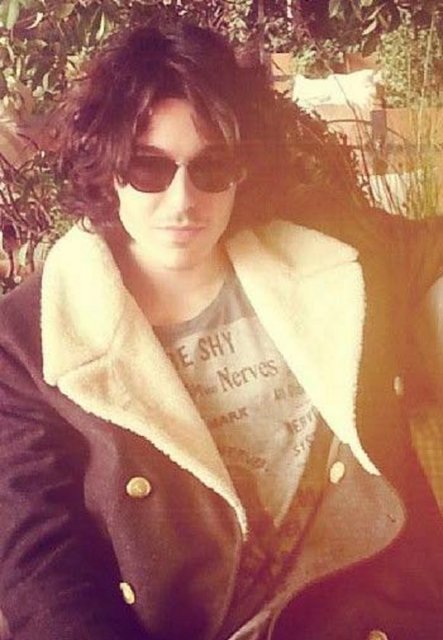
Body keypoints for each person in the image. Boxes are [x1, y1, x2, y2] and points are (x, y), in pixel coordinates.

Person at [0, 20, 443, 640]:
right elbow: (42, 566)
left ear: (242, 169)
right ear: (109, 165)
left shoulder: (323, 251)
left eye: (212, 166)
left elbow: (426, 250)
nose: (184, 200)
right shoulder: (29, 340)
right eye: (149, 167)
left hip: (380, 608)